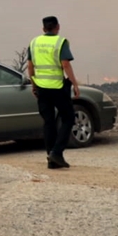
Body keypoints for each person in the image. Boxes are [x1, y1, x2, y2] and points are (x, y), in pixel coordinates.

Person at [27, 16, 80, 169]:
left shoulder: (34, 42)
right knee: (68, 117)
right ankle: (56, 152)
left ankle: (51, 159)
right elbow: (65, 64)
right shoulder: (60, 42)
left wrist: (33, 85)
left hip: (41, 88)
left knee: (48, 122)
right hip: (57, 87)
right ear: (58, 27)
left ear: (43, 29)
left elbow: (30, 67)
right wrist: (75, 84)